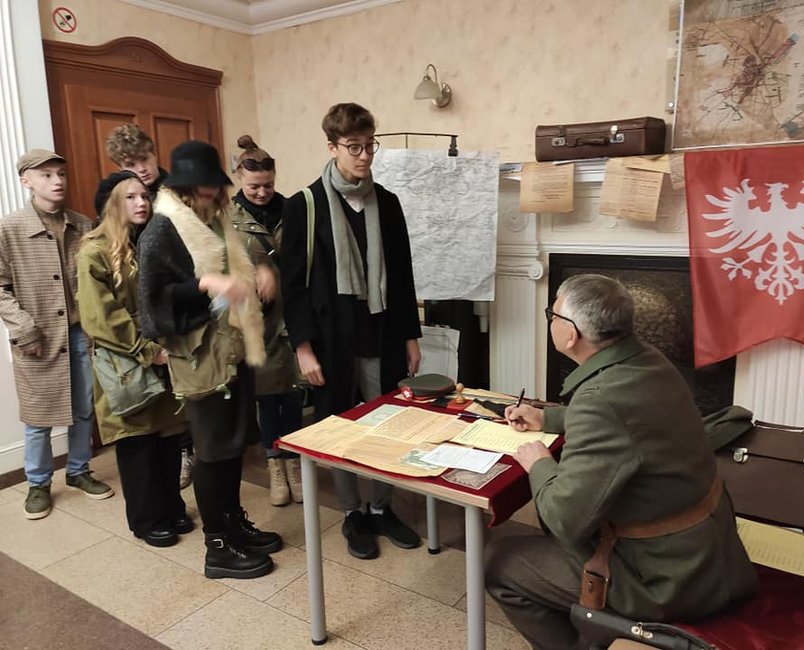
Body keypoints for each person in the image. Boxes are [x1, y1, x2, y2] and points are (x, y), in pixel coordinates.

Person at [485, 274, 757, 650]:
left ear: (570, 334)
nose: (550, 321)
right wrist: (546, 418)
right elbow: (625, 416)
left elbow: (564, 520)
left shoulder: (599, 399)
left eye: (552, 314)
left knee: (500, 562)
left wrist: (540, 463)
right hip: (710, 552)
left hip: (667, 579)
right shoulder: (648, 359)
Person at [281, 102, 422, 560]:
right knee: (338, 425)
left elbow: (402, 276)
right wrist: (302, 347)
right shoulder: (304, 205)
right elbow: (293, 285)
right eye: (354, 147)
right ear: (332, 147)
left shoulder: (388, 202)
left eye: (369, 146)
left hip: (382, 332)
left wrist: (411, 336)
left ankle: (381, 507)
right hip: (331, 337)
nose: (364, 156)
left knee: (388, 424)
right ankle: (351, 513)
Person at [137, 140, 282, 579]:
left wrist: (258, 274)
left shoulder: (216, 221)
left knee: (232, 448)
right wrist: (205, 285)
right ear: (185, 189)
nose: (217, 194)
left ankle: (233, 524)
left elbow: (234, 275)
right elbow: (152, 306)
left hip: (232, 347)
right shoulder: (162, 229)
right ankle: (217, 547)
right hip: (200, 357)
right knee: (212, 452)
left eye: (217, 186)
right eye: (207, 188)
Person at [77, 171, 193, 547]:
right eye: (130, 197)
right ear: (111, 204)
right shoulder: (93, 252)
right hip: (125, 364)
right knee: (138, 442)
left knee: (168, 438)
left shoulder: (147, 243)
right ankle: (147, 519)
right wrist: (147, 349)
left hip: (162, 356)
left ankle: (172, 507)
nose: (142, 202)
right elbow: (101, 317)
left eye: (144, 195)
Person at [0, 149, 114, 520]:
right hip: (37, 338)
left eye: (61, 173)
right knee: (38, 417)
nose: (57, 181)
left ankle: (79, 470)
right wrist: (24, 328)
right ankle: (38, 483)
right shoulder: (8, 229)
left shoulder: (81, 224)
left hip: (81, 333)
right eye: (46, 175)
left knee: (83, 408)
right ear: (26, 181)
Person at [105, 123, 195, 489]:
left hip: (182, 296)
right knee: (162, 385)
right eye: (130, 163)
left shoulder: (178, 190)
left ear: (155, 153)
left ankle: (191, 449)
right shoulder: (121, 196)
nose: (140, 167)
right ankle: (178, 451)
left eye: (144, 158)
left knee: (186, 379)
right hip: (144, 304)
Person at [230, 135, 304, 507]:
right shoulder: (227, 219)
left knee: (293, 394)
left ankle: (294, 462)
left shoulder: (293, 211)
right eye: (254, 186)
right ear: (238, 178)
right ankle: (275, 462)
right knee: (267, 397)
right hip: (255, 322)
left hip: (293, 316)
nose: (262, 193)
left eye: (268, 185)